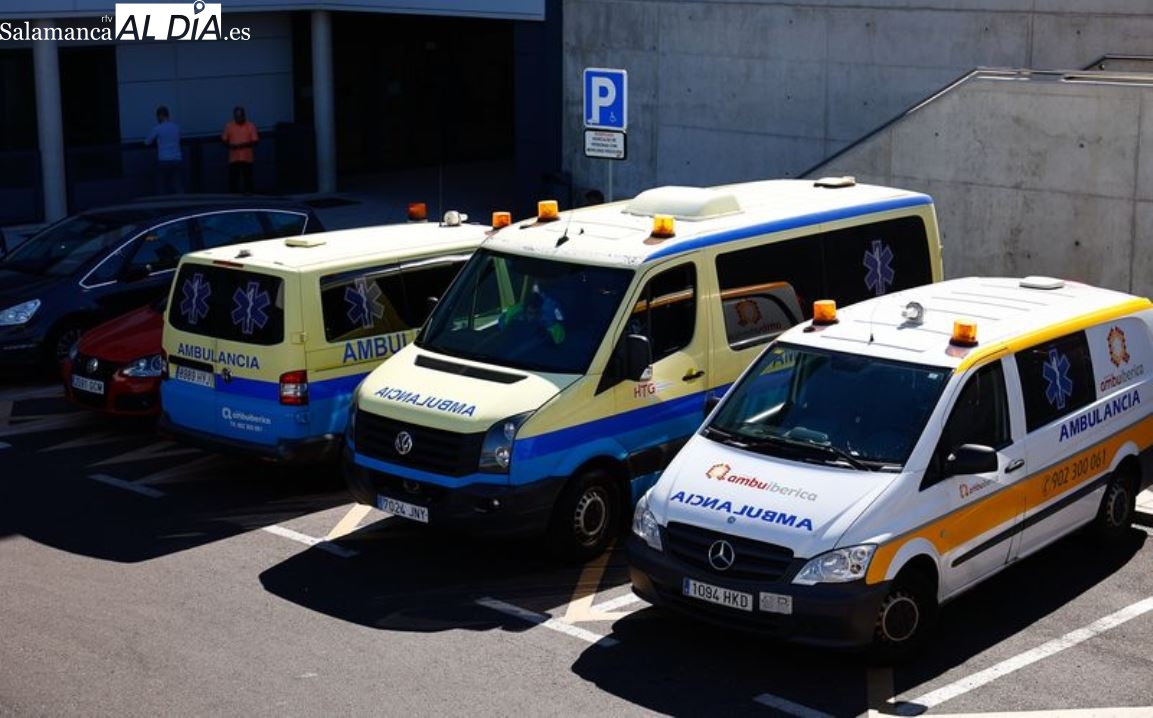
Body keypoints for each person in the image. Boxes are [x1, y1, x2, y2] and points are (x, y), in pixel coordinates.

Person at [499, 289, 565, 345]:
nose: (532, 317)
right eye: (530, 313)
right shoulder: (514, 314)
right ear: (525, 310)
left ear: (541, 312)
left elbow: (559, 339)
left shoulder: (549, 322)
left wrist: (548, 329)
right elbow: (503, 330)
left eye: (536, 313)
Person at [144, 105, 183, 194]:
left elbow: (147, 142)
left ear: (160, 116)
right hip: (177, 158)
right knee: (178, 184)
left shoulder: (157, 128)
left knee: (161, 185)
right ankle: (181, 203)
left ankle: (163, 205)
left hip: (164, 159)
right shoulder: (176, 127)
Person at [221, 105, 259, 194]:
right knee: (233, 180)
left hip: (247, 158)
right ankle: (233, 198)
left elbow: (255, 141)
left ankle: (249, 197)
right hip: (234, 158)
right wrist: (230, 146)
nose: (238, 118)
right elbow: (224, 140)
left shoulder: (250, 126)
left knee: (248, 179)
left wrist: (242, 145)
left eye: (240, 116)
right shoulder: (229, 126)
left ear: (244, 116)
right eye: (236, 116)